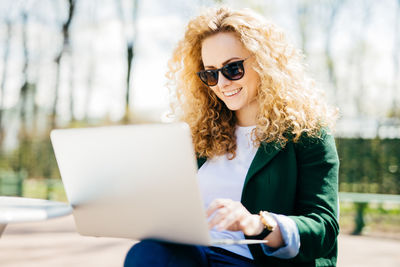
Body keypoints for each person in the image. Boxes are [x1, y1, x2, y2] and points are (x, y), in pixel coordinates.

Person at [124, 6, 339, 267]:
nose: (222, 83)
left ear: (265, 62)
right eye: (210, 73)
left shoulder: (307, 133)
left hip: (253, 261)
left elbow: (324, 227)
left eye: (233, 68)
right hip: (192, 255)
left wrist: (257, 223)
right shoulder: (197, 134)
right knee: (148, 252)